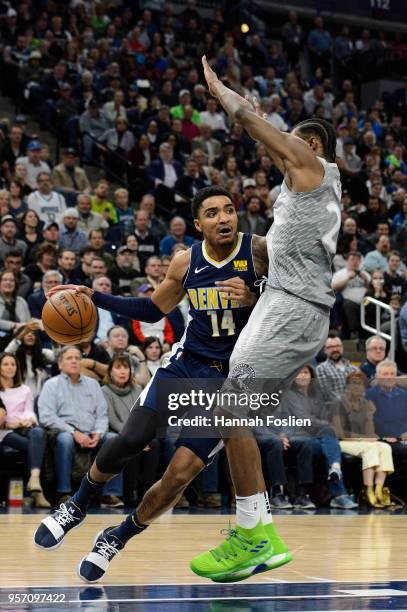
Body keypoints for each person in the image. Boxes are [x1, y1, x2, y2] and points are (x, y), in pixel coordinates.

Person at [34, 186, 291, 584]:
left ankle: (117, 537)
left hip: (229, 383)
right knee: (130, 439)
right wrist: (95, 297)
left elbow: (294, 306)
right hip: (185, 366)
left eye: (228, 211)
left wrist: (256, 298)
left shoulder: (260, 252)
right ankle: (77, 504)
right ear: (197, 224)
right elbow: (153, 308)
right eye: (212, 213)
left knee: (178, 475)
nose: (223, 219)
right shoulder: (186, 263)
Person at [186, 57, 342, 581]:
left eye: (292, 139)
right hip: (287, 305)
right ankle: (257, 529)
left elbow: (258, 128)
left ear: (311, 145)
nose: (283, 146)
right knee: (234, 414)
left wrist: (226, 96)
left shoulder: (313, 169)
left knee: (230, 410)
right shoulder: (307, 189)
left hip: (293, 309)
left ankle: (255, 533)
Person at [37, 346, 123, 507]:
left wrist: (98, 433)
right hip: (65, 431)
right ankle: (64, 492)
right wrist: (74, 432)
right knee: (65, 440)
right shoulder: (51, 384)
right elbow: (47, 416)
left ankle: (111, 494)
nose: (75, 361)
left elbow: (102, 414)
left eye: (77, 358)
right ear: (60, 364)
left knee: (113, 440)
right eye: (69, 358)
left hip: (92, 433)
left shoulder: (93, 384)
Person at [102, 354, 160, 506]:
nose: (122, 371)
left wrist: (142, 436)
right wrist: (135, 435)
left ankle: (147, 493)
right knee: (129, 443)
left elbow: (145, 415)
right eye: (118, 367)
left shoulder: (138, 389)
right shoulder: (104, 391)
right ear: (110, 372)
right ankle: (131, 493)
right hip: (117, 432)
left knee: (154, 443)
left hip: (138, 432)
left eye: (125, 367)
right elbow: (112, 420)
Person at [332, 370, 394, 509]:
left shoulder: (366, 403)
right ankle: (368, 490)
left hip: (362, 441)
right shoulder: (338, 402)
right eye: (353, 383)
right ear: (347, 386)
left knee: (385, 447)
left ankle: (378, 489)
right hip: (343, 442)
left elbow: (370, 433)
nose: (356, 386)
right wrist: (363, 438)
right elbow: (339, 432)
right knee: (370, 447)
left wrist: (370, 416)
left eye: (359, 384)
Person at [0, 352, 49, 508]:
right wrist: (10, 424)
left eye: (13, 364)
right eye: (6, 364)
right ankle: (36, 493)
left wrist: (29, 419)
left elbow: (29, 411)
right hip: (3, 431)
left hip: (22, 428)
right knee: (35, 446)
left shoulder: (24, 389)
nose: (10, 367)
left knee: (38, 432)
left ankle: (34, 479)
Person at [4, 322, 54, 397]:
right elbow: (6, 354)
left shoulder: (43, 354)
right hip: (18, 400)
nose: (30, 335)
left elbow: (58, 358)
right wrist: (24, 331)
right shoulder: (13, 357)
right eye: (26, 332)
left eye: (33, 333)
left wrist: (54, 335)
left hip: (38, 401)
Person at [317, 335, 358, 403]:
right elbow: (327, 394)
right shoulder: (321, 369)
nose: (335, 349)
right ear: (325, 350)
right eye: (331, 347)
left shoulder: (354, 369)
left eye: (338, 346)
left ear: (342, 348)